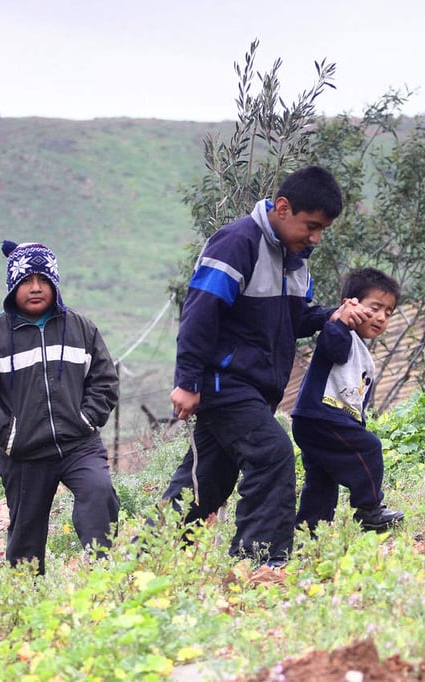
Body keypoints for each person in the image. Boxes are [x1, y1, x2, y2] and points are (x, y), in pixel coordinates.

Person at [162, 165, 366, 567]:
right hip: (225, 384)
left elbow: (295, 321)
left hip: (256, 390)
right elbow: (199, 315)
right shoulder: (236, 243)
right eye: (310, 226)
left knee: (206, 482)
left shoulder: (297, 259)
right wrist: (186, 381)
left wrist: (334, 315)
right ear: (284, 208)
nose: (316, 238)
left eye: (322, 229)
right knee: (273, 454)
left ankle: (148, 555)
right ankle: (259, 560)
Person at [0, 240, 120, 575]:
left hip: (78, 446)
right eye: (26, 280)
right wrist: (11, 437)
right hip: (24, 455)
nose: (36, 288)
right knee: (25, 538)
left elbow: (105, 381)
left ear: (55, 283)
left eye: (44, 280)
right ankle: (25, 601)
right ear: (13, 286)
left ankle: (104, 580)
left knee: (99, 493)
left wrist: (86, 419)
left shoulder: (82, 329)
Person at [292, 268, 405, 533]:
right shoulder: (337, 330)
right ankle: (370, 509)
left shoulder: (365, 356)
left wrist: (358, 426)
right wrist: (342, 320)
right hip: (320, 415)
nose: (381, 317)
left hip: (329, 419)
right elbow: (334, 348)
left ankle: (310, 531)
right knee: (369, 448)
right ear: (350, 304)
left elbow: (358, 403)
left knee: (322, 479)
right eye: (375, 308)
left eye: (388, 313)